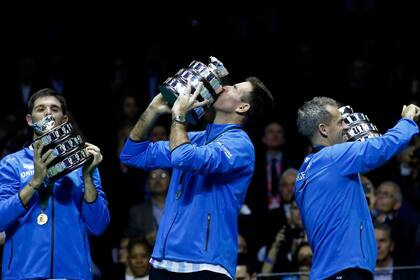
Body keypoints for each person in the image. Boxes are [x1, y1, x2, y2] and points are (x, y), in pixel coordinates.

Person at [120, 77, 273, 279]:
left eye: (234, 88)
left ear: (243, 107)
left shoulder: (240, 145)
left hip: (205, 265)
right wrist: (153, 109)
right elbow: (132, 154)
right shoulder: (194, 138)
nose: (224, 87)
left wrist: (179, 117)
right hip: (163, 261)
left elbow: (184, 158)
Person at [294, 96, 420, 279]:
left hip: (325, 271)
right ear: (323, 129)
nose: (346, 127)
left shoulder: (303, 173)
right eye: (339, 123)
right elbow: (382, 147)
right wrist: (407, 121)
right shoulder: (333, 157)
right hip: (346, 269)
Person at [0, 88, 110, 279]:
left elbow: (99, 225)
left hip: (73, 274)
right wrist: (34, 183)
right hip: (23, 274)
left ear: (65, 120)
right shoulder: (12, 163)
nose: (48, 113)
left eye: (54, 109)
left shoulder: (84, 163)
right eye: (41, 109)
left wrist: (87, 177)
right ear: (29, 120)